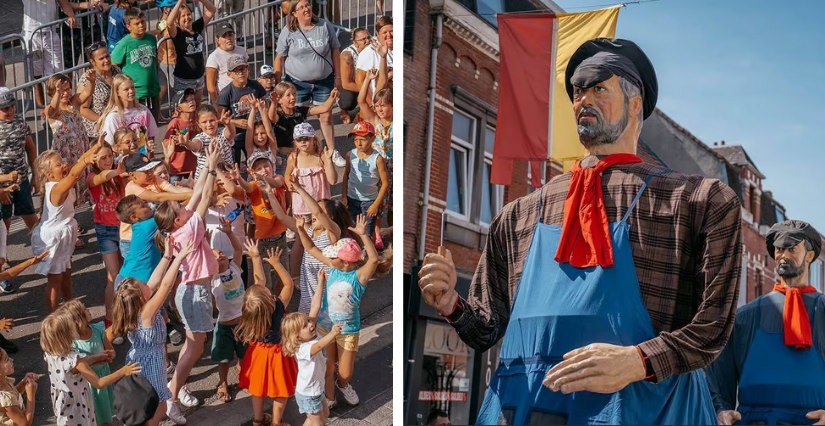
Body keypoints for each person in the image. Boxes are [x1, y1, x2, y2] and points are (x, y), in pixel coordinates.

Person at [418, 38, 743, 425]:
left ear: (635, 105)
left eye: (598, 89)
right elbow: (485, 331)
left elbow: (712, 330)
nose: (583, 99)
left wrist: (638, 361)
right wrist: (450, 304)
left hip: (644, 412)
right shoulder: (516, 215)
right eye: (577, 91)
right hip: (523, 412)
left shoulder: (698, 202)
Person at [706, 220, 825, 426]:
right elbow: (717, 381)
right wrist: (721, 410)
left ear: (810, 255)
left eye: (792, 249)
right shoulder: (744, 317)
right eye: (779, 249)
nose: (783, 256)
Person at [155, 144, 221, 423]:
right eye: (179, 207)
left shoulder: (182, 225)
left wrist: (207, 164)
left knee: (192, 346)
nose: (184, 205)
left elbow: (195, 196)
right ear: (176, 220)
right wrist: (212, 166)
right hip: (195, 293)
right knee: (196, 348)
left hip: (192, 291)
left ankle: (174, 389)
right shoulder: (189, 228)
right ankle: (171, 397)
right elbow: (204, 195)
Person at [296, 214, 391, 409]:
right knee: (328, 366)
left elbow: (373, 259)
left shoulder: (358, 277)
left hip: (348, 330)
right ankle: (330, 397)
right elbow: (311, 247)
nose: (329, 257)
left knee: (345, 371)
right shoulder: (333, 266)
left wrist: (364, 235)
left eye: (334, 255)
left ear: (346, 262)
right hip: (325, 326)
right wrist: (300, 230)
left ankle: (343, 384)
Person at [111, 237, 195, 426]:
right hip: (149, 363)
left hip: (140, 359)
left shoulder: (134, 308)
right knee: (156, 407)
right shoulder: (147, 312)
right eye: (143, 285)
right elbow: (164, 286)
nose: (146, 284)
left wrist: (167, 255)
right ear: (141, 298)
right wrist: (179, 258)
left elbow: (156, 281)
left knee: (144, 406)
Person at [265, 174, 354, 313]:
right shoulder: (309, 231)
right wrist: (269, 192)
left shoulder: (332, 233)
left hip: (326, 294)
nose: (313, 214)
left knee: (325, 329)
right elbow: (282, 217)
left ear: (329, 217)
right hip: (308, 295)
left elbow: (318, 213)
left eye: (318, 211)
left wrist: (299, 189)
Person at [32, 140, 103, 312]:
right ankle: (54, 316)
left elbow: (80, 161)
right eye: (59, 164)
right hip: (52, 239)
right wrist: (86, 162)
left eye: (62, 161)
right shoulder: (56, 188)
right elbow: (75, 172)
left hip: (63, 234)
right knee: (55, 280)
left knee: (66, 272)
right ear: (49, 174)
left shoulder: (61, 181)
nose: (64, 164)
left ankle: (70, 304)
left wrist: (96, 146)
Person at [275, 0, 345, 168]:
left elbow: (335, 50)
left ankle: (331, 150)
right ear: (294, 14)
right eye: (301, 7)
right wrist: (278, 86)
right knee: (297, 118)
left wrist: (338, 76)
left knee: (326, 116)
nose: (306, 9)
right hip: (297, 83)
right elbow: (279, 58)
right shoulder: (288, 31)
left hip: (325, 80)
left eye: (307, 5)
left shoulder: (324, 25)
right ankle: (300, 152)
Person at [41, 311, 141, 426]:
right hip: (78, 405)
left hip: (63, 403)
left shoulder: (50, 354)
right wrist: (123, 371)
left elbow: (69, 370)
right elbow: (98, 383)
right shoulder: (75, 359)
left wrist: (96, 359)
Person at [234, 266, 297, 426]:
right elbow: (288, 284)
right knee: (281, 392)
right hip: (278, 354)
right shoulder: (277, 309)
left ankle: (258, 419)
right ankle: (276, 422)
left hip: (257, 353)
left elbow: (259, 285)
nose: (274, 296)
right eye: (271, 296)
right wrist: (276, 263)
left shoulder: (251, 312)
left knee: (257, 388)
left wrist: (255, 258)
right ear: (270, 302)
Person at [281, 276, 340, 426]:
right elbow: (319, 346)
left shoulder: (309, 335)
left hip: (316, 390)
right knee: (320, 423)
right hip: (309, 394)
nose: (310, 324)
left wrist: (321, 283)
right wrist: (332, 334)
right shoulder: (304, 348)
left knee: (324, 414)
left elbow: (315, 307)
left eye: (308, 320)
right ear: (297, 337)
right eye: (305, 325)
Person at [0, 88, 40, 295]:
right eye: (5, 108)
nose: (9, 110)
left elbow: (31, 148)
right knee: (3, 226)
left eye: (12, 106)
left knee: (30, 216)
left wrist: (36, 174)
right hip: (1, 186)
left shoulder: (21, 123)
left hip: (22, 181)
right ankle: (3, 263)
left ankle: (45, 255)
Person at [231, 152, 289, 291]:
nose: (263, 170)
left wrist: (263, 178)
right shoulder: (254, 186)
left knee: (283, 275)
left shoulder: (277, 179)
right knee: (265, 281)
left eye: (266, 166)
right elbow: (247, 187)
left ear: (273, 166)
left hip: (280, 238)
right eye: (258, 168)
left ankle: (281, 303)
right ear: (252, 172)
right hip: (262, 241)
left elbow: (276, 183)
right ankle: (267, 308)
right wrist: (239, 178)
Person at [87, 143, 127, 327]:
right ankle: (110, 318)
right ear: (94, 160)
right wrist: (117, 171)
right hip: (105, 231)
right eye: (103, 157)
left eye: (110, 155)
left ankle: (127, 311)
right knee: (113, 275)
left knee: (127, 274)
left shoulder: (120, 174)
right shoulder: (91, 177)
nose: (108, 160)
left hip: (125, 228)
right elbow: (101, 177)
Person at [44, 72, 96, 209]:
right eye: (62, 90)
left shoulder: (73, 102)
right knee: (70, 181)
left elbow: (87, 93)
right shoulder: (51, 110)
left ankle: (90, 201)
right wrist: (57, 92)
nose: (65, 93)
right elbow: (52, 109)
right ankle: (69, 211)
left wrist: (91, 81)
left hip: (80, 146)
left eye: (67, 89)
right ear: (53, 92)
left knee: (85, 175)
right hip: (66, 153)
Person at [61, 300, 116, 426]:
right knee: (93, 417)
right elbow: (77, 366)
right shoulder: (73, 343)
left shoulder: (98, 329)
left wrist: (111, 354)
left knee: (106, 416)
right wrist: (97, 358)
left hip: (104, 377)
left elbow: (109, 350)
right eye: (85, 310)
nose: (89, 310)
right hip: (88, 385)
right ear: (78, 319)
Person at [268, 82, 339, 177]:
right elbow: (271, 117)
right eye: (288, 95)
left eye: (294, 94)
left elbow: (323, 108)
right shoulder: (278, 115)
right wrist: (273, 103)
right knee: (285, 183)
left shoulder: (300, 111)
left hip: (300, 154)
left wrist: (332, 97)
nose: (293, 97)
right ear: (279, 99)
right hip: (283, 157)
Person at [357, 70, 392, 248]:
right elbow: (361, 101)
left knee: (391, 204)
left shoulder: (395, 125)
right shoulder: (376, 122)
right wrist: (368, 80)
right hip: (377, 169)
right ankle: (377, 233)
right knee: (378, 202)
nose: (380, 109)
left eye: (384, 105)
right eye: (377, 105)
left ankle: (391, 232)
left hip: (393, 169)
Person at [111, 7, 162, 124]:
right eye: (137, 24)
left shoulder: (151, 38)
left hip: (153, 89)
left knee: (153, 124)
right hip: (135, 93)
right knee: (139, 125)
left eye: (143, 22)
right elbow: (113, 64)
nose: (141, 26)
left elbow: (154, 60)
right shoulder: (124, 43)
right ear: (128, 27)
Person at [22, 0, 75, 106]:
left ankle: (59, 109)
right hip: (31, 34)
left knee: (57, 76)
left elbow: (63, 2)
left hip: (51, 32)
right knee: (36, 77)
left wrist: (71, 15)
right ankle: (43, 113)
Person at [217, 55, 267, 167]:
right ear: (229, 74)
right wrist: (235, 122)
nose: (241, 73)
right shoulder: (226, 93)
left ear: (248, 69)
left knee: (257, 164)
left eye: (243, 69)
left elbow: (264, 103)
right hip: (235, 137)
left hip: (253, 134)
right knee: (234, 167)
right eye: (236, 71)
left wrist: (262, 114)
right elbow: (219, 118)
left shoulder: (255, 86)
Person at [341, 121, 389, 240]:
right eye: (356, 140)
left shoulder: (377, 159)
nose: (359, 143)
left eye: (363, 139)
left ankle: (370, 254)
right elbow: (346, 175)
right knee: (352, 230)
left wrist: (375, 204)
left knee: (367, 232)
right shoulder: (350, 155)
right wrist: (344, 197)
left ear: (372, 138)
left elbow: (385, 183)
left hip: (369, 202)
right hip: (352, 199)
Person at [165, 0, 217, 106]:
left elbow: (212, 10)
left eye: (188, 14)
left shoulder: (196, 27)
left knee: (196, 108)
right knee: (186, 110)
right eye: (183, 16)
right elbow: (169, 23)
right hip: (184, 79)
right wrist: (180, 2)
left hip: (199, 77)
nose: (187, 17)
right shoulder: (178, 33)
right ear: (177, 19)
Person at [98, 74, 159, 156]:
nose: (131, 91)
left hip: (144, 159)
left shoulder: (144, 111)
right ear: (117, 92)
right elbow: (110, 145)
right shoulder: (113, 117)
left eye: (132, 87)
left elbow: (151, 136)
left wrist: (150, 153)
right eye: (126, 89)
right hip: (125, 162)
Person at [284, 123, 337, 216]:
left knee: (321, 229)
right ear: (295, 142)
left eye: (306, 138)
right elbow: (287, 174)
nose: (302, 142)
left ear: (314, 140)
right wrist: (289, 183)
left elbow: (333, 181)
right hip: (302, 205)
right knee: (304, 229)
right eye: (299, 139)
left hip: (320, 205)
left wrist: (328, 161)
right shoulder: (293, 158)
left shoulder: (321, 156)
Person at [80, 42, 123, 145]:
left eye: (107, 56)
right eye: (101, 58)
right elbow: (83, 109)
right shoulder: (87, 79)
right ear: (92, 61)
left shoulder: (116, 71)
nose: (106, 60)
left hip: (119, 124)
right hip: (98, 132)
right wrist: (104, 121)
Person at [163, 89, 200, 183]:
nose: (191, 102)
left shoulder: (199, 120)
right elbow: (165, 142)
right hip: (177, 169)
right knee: (177, 196)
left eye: (192, 99)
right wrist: (174, 140)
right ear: (178, 108)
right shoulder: (175, 122)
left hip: (196, 166)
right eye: (186, 101)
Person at [189, 104, 236, 179]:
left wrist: (228, 124)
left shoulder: (222, 132)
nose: (209, 124)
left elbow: (231, 134)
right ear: (199, 124)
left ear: (217, 119)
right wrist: (186, 143)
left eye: (212, 120)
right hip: (206, 179)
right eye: (204, 122)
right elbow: (195, 146)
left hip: (227, 176)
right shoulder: (201, 138)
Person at [205, 23, 247, 102]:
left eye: (230, 35)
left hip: (243, 94)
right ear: (218, 40)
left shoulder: (241, 50)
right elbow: (210, 86)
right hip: (227, 97)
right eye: (224, 36)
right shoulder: (214, 57)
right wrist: (217, 105)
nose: (228, 39)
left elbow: (247, 71)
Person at [355, 16, 392, 102]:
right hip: (381, 102)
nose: (389, 35)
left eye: (391, 31)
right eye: (385, 32)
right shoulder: (369, 52)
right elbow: (360, 80)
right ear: (378, 34)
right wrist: (371, 105)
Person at [0, 348, 40, 426]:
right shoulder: (5, 399)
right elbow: (25, 423)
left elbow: (13, 395)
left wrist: (23, 383)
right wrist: (31, 394)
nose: (11, 360)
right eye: (6, 359)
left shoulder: (3, 381)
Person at [339, 27, 371, 124]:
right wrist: (368, 90)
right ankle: (343, 109)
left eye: (368, 37)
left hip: (368, 80)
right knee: (348, 103)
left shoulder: (373, 48)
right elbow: (346, 84)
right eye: (363, 39)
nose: (367, 41)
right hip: (351, 84)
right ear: (355, 42)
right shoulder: (347, 55)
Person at [244, 98, 279, 168]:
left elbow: (269, 130)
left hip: (270, 178)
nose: (260, 137)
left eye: (262, 133)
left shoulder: (272, 147)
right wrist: (253, 109)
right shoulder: (251, 149)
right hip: (255, 179)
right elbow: (249, 130)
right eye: (256, 134)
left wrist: (261, 109)